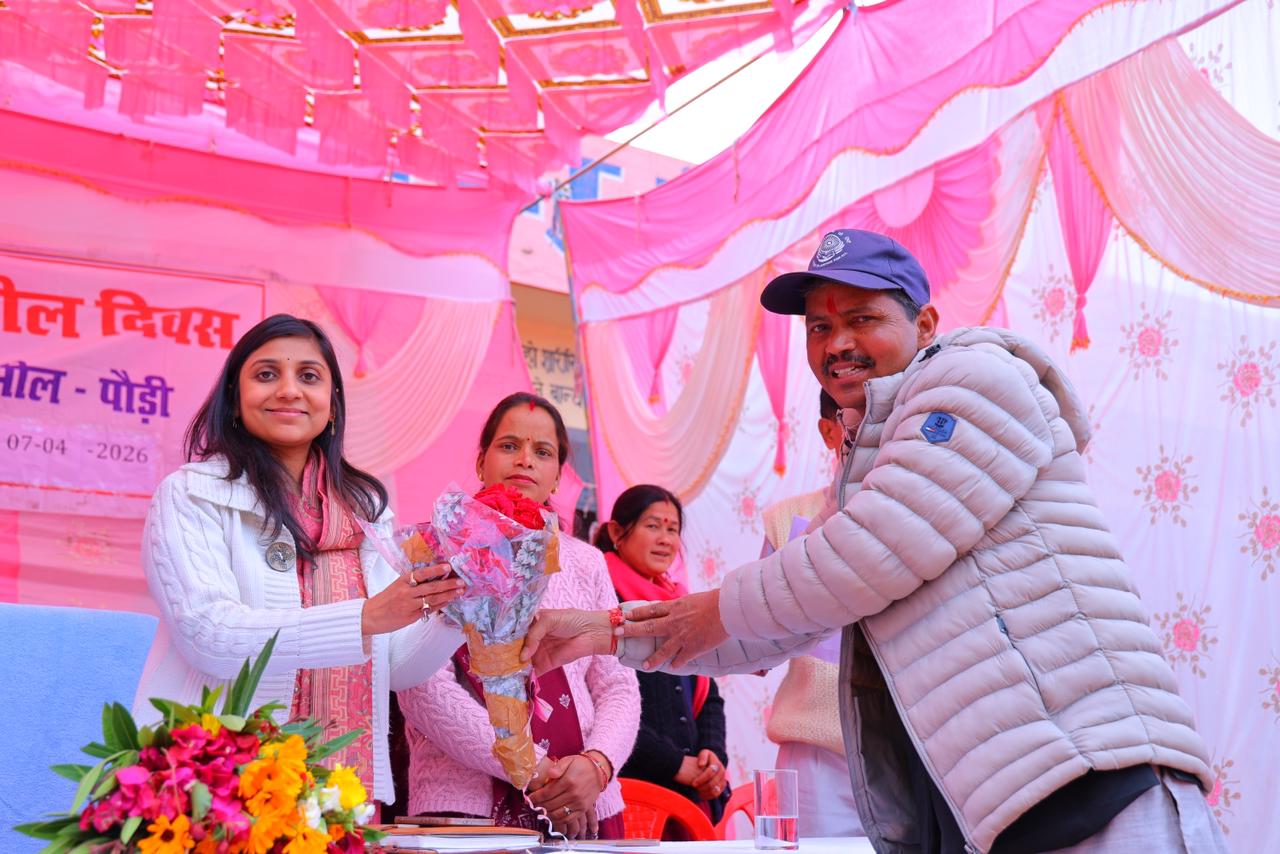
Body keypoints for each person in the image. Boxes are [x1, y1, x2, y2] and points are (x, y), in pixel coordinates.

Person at [523, 230, 1225, 853]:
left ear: (925, 324)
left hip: (1099, 778)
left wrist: (681, 615)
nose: (836, 344)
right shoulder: (868, 472)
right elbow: (777, 627)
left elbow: (861, 557)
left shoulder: (973, 380)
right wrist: (603, 632)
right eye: (819, 327)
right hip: (1010, 804)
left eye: (862, 318)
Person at [132, 314, 466, 806]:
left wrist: (458, 606)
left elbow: (394, 666)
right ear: (235, 398)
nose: (289, 390)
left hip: (342, 797)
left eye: (308, 376)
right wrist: (365, 617)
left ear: (332, 404)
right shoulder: (190, 494)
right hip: (218, 791)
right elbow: (209, 635)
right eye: (266, 374)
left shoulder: (366, 510)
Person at [397, 392, 639, 840]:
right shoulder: (431, 551)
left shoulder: (586, 562)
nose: (525, 460)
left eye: (542, 452)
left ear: (557, 477)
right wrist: (535, 770)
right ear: (481, 462)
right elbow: (423, 690)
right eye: (509, 446)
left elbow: (617, 683)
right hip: (465, 808)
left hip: (587, 802)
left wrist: (597, 766)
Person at [595, 485, 732, 831]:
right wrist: (675, 764)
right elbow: (602, 704)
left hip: (687, 797)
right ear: (617, 533)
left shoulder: (681, 605)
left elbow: (709, 695)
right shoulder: (602, 603)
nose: (666, 540)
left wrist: (712, 757)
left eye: (672, 530)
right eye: (653, 526)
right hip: (628, 795)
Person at [761, 391, 862, 839]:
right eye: (857, 419)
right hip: (817, 755)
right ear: (829, 431)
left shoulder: (924, 512)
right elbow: (756, 641)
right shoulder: (788, 520)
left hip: (910, 747)